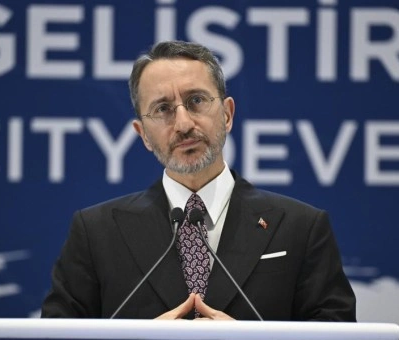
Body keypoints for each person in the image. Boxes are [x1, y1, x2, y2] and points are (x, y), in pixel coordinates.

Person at [41, 40, 355, 321]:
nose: (183, 124)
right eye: (163, 109)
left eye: (196, 101)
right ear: (143, 134)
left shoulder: (301, 228)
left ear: (227, 114)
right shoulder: (96, 233)